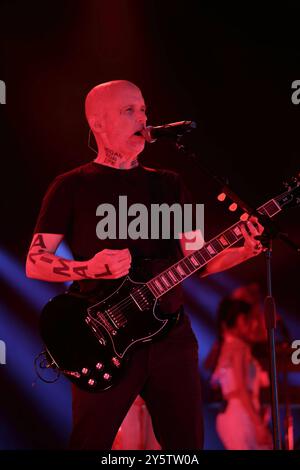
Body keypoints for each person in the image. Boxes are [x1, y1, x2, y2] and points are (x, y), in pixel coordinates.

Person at [26, 79, 265, 450]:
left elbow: (196, 261)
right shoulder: (71, 186)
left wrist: (243, 251)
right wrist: (90, 268)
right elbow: (35, 262)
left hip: (171, 336)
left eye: (143, 110)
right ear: (98, 123)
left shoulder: (170, 184)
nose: (143, 118)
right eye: (129, 111)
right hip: (102, 338)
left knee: (186, 448)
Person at [211, 298, 272, 450]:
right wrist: (258, 424)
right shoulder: (239, 348)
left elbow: (216, 381)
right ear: (240, 320)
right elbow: (242, 389)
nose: (256, 324)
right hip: (241, 415)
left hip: (235, 414)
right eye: (252, 319)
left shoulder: (228, 346)